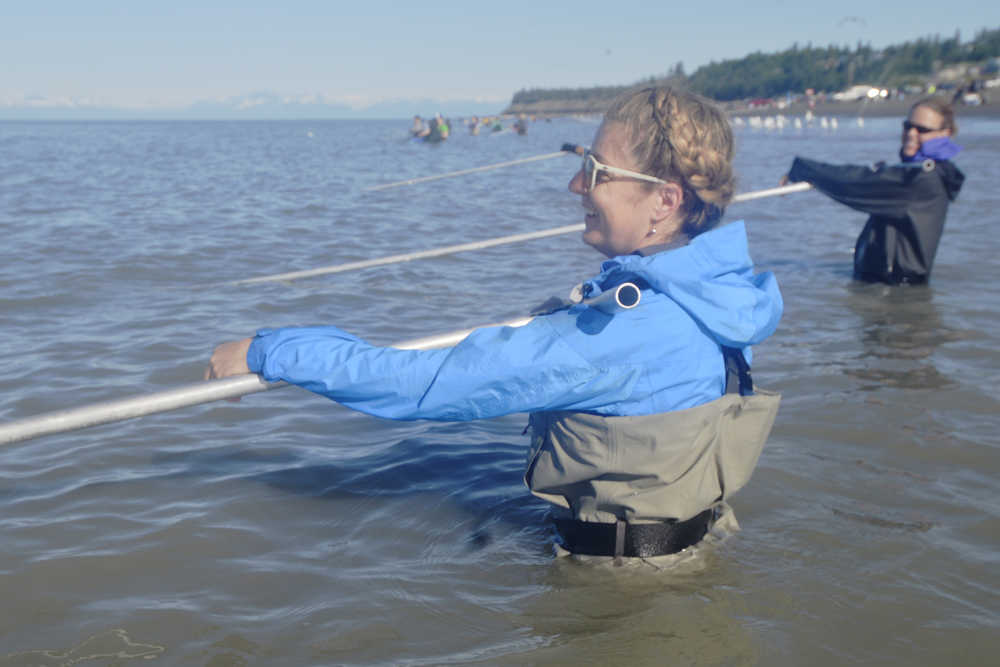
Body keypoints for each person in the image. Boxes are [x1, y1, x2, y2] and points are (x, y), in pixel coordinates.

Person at [205, 86, 783, 562]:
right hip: (700, 548)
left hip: (625, 593)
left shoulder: (619, 332)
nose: (575, 185)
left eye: (596, 170)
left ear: (664, 201)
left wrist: (270, 351)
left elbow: (418, 385)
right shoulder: (722, 290)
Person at [781, 97, 964, 285]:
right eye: (907, 126)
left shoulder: (923, 179)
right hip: (887, 287)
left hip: (897, 293)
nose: (911, 133)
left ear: (945, 133)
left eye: (922, 130)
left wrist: (802, 169)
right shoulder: (920, 172)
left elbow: (855, 183)